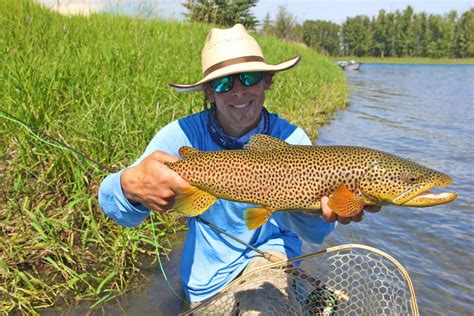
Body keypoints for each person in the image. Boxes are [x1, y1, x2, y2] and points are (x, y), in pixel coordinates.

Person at [98, 24, 379, 309]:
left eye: (249, 78)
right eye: (223, 83)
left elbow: (316, 234)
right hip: (206, 278)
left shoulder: (293, 140)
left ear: (267, 81)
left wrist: (311, 207)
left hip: (272, 261)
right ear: (208, 92)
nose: (238, 92)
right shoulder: (181, 136)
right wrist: (128, 185)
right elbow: (116, 210)